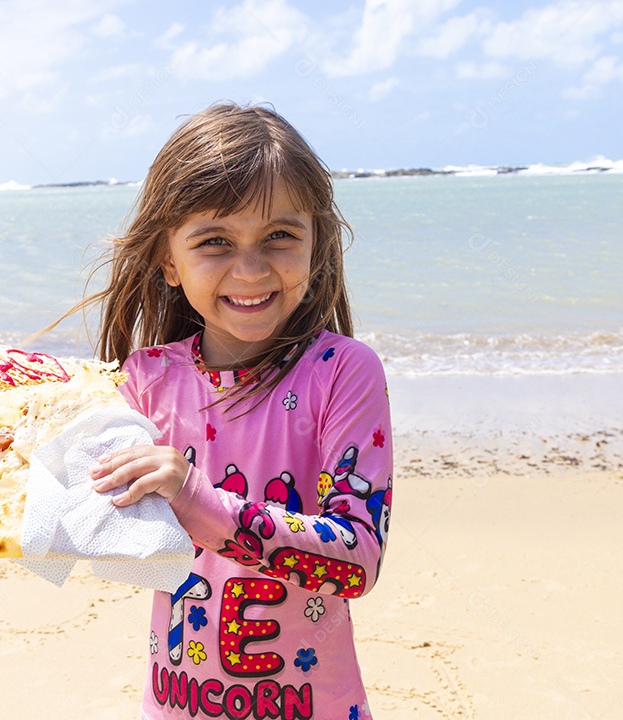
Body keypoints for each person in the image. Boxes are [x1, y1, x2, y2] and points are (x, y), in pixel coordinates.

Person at [85, 102, 393, 720]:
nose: (250, 269)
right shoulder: (144, 380)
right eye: (215, 241)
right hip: (177, 705)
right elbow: (94, 534)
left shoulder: (341, 373)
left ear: (316, 243)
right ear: (168, 260)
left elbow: (357, 559)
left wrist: (196, 496)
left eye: (280, 235)